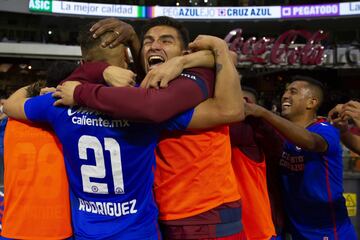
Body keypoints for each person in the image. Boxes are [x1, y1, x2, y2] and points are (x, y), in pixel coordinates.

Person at [3, 23, 243, 240]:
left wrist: (43, 87)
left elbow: (12, 105)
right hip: (140, 231)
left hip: (87, 232)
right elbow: (227, 110)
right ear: (125, 65)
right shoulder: (148, 103)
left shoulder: (57, 103)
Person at [244, 75, 357, 240]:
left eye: (293, 92)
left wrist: (263, 112)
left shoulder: (325, 130)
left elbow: (311, 142)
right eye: (285, 91)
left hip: (328, 232)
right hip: (295, 229)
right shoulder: (280, 134)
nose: (285, 95)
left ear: (312, 102)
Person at [0, 62, 77, 240]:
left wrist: (40, 87)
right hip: (59, 231)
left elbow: (10, 105)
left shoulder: (10, 122)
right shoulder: (73, 123)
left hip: (14, 229)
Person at [230, 86, 283, 240]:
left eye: (246, 102)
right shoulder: (220, 131)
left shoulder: (246, 133)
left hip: (256, 230)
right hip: (231, 226)